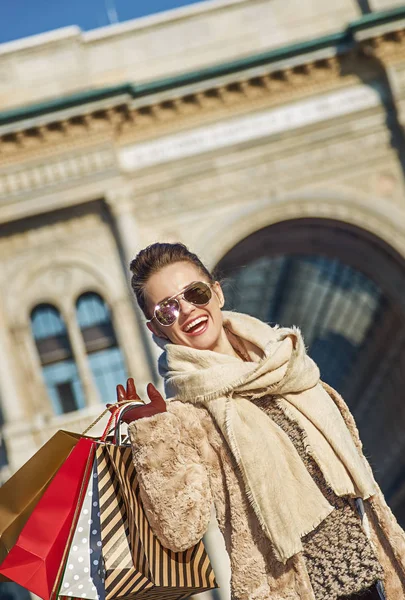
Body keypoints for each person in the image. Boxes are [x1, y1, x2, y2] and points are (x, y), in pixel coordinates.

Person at [114, 242, 405, 600]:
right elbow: (179, 532)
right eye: (167, 310)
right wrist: (152, 435)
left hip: (377, 579)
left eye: (195, 293)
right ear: (156, 329)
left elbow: (363, 486)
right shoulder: (184, 419)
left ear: (216, 292)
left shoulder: (289, 365)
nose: (187, 310)